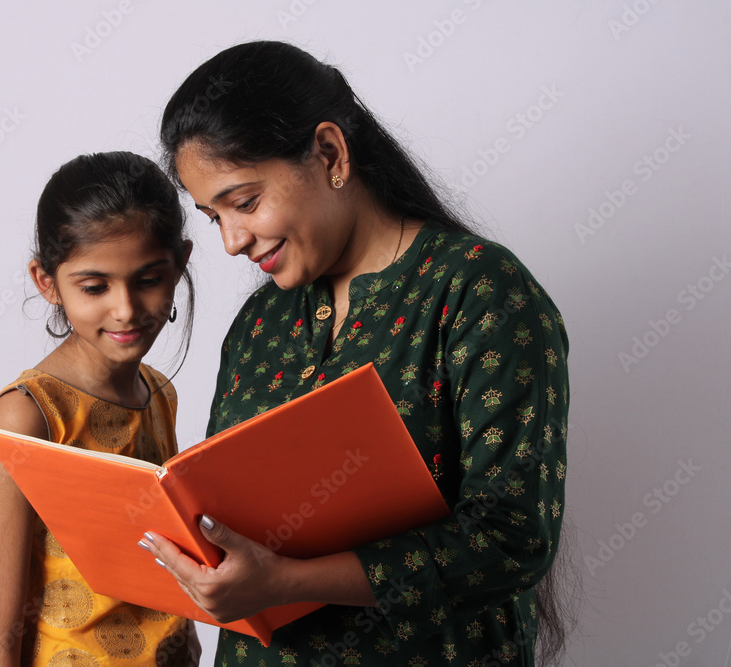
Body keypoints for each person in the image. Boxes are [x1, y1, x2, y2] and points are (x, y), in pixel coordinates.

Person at [139, 41, 571, 666]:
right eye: (213, 218)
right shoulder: (259, 325)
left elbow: (513, 538)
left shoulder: (477, 291)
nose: (232, 241)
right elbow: (222, 514)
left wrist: (289, 581)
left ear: (330, 153)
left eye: (245, 201)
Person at [0, 151, 201, 667]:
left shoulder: (159, 392)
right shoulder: (28, 416)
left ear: (180, 262)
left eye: (148, 279)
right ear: (47, 281)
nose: (125, 309)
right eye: (95, 287)